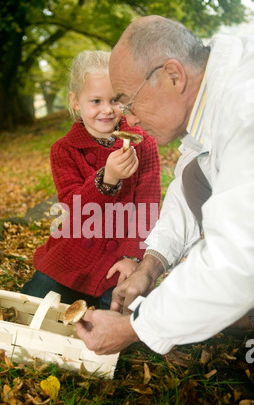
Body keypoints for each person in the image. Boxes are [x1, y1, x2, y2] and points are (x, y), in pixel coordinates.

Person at [75, 16, 254, 355]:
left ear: (173, 75)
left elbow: (238, 254)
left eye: (128, 100)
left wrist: (135, 326)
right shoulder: (209, 98)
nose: (128, 119)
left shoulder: (246, 110)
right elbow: (192, 181)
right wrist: (150, 266)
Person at [22, 50, 161, 309]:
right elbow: (74, 208)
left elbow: (148, 207)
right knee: (33, 306)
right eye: (95, 101)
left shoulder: (145, 143)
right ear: (76, 102)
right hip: (72, 255)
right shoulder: (64, 150)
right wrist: (106, 180)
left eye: (115, 100)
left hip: (119, 259)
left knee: (126, 313)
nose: (107, 110)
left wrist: (132, 257)